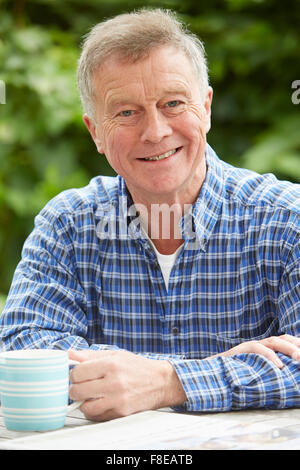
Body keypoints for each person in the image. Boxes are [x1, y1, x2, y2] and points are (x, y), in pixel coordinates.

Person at [1, 9, 300, 422]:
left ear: (206, 108)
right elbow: (24, 347)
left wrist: (167, 381)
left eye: (173, 103)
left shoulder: (286, 221)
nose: (155, 131)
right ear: (95, 133)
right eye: (126, 112)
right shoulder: (68, 226)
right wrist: (201, 371)